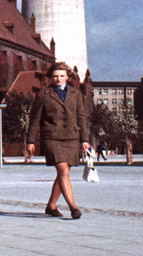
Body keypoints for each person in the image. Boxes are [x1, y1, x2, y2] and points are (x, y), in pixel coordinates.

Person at [26, 62, 90, 219]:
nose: (59, 79)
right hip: (52, 138)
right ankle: (73, 207)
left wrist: (85, 139)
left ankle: (51, 206)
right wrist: (31, 141)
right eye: (55, 76)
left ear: (67, 77)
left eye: (62, 76)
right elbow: (35, 120)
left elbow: (81, 117)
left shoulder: (75, 94)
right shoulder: (43, 95)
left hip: (71, 137)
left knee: (64, 173)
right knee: (63, 171)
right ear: (50, 78)